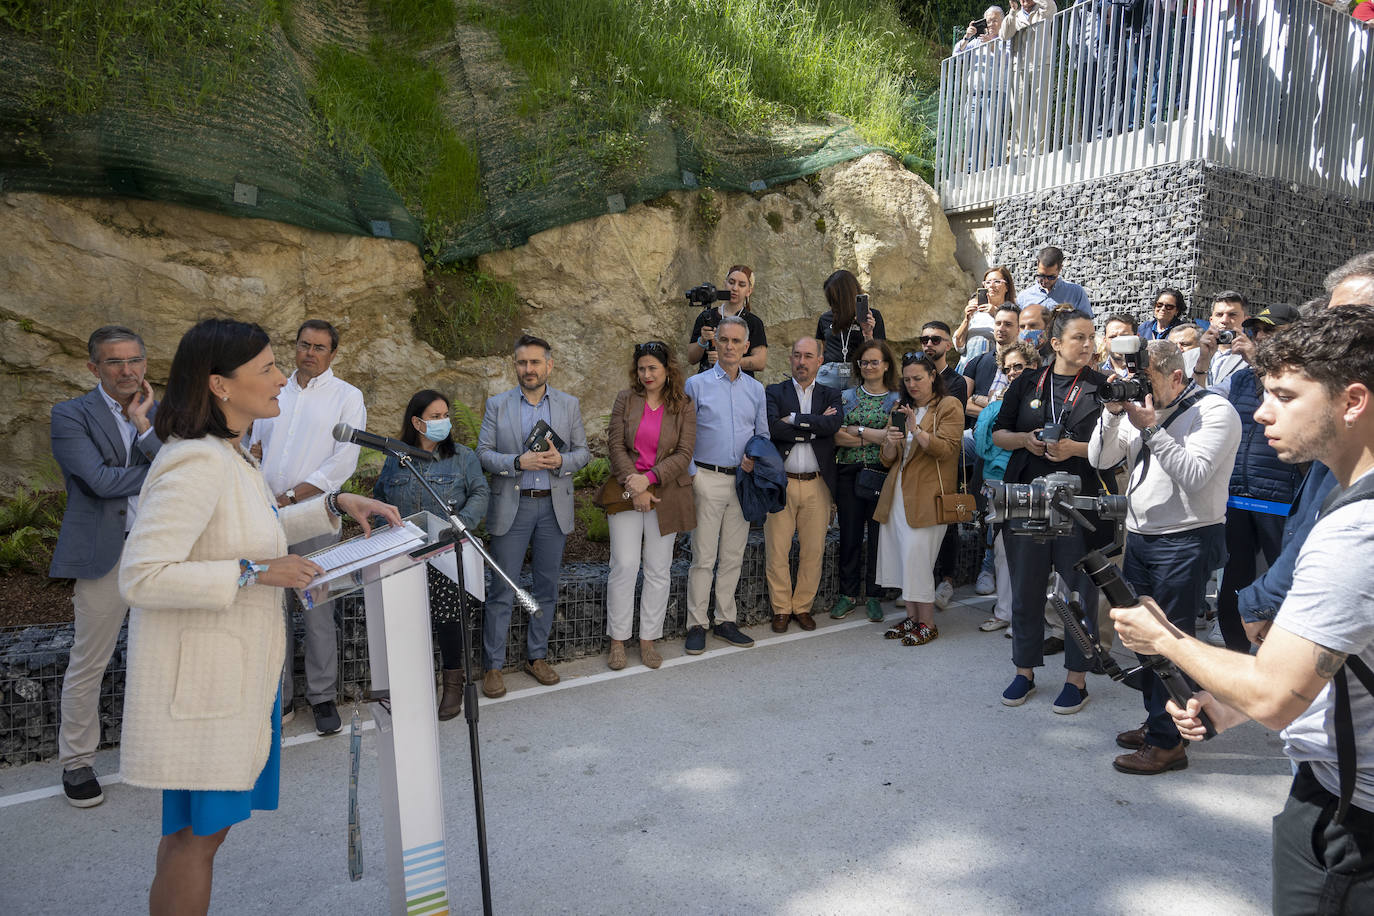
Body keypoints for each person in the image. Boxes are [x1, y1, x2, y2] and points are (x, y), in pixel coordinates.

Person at [117, 317, 399, 916]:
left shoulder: (229, 454)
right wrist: (256, 571)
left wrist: (334, 502)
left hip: (232, 682)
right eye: (268, 368)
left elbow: (253, 525)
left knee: (196, 837)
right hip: (207, 688)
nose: (281, 378)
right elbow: (141, 574)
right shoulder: (193, 461)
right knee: (198, 840)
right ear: (220, 385)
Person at [1113, 306, 1374, 915]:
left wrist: (1167, 639)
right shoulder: (1347, 503)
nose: (1263, 412)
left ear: (1353, 400)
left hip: (1349, 820)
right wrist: (1230, 705)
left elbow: (1276, 695)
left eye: (1284, 396)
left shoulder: (1355, 530)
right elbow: (1332, 661)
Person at [1089, 340, 1240, 774]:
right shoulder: (1141, 405)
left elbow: (1194, 476)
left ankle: (1167, 744)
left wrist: (1153, 428)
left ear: (1177, 376)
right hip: (1141, 536)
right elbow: (1101, 458)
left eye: (1146, 379)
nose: (1138, 387)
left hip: (1186, 539)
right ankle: (1162, 721)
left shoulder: (1215, 411)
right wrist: (1114, 411)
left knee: (1171, 645)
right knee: (1142, 639)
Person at [50, 326, 161, 808]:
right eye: (114, 362)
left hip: (159, 552)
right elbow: (96, 481)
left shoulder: (159, 411)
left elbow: (186, 467)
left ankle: (159, 754)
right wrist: (159, 468)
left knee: (162, 655)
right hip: (103, 553)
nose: (127, 371)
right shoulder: (69, 414)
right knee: (89, 662)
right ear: (93, 367)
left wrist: (144, 428)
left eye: (134, 360)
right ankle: (77, 762)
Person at [993, 309, 1113, 713]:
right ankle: (1023, 671)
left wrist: (1075, 449)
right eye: (1079, 337)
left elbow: (1115, 450)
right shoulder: (1028, 380)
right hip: (1027, 498)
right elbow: (999, 434)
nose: (1088, 344)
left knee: (1079, 592)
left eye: (1092, 337)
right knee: (1026, 588)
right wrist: (1026, 440)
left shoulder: (1102, 388)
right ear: (1056, 344)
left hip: (1079, 503)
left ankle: (1076, 679)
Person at [249, 319, 365, 736]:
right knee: (270, 612)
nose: (310, 353)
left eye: (319, 347)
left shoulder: (347, 397)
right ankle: (278, 698)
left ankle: (321, 697)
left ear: (333, 354)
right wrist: (255, 465)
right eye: (304, 345)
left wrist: (293, 496)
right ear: (294, 347)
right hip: (266, 517)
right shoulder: (276, 389)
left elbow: (342, 462)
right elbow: (253, 446)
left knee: (317, 609)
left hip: (315, 515)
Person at [476, 335, 589, 696]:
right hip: (514, 504)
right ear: (516, 366)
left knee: (546, 587)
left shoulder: (569, 405)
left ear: (548, 366)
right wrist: (515, 462)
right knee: (502, 588)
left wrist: (562, 461)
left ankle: (536, 656)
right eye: (522, 363)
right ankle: (493, 666)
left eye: (535, 363)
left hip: (553, 506)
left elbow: (583, 452)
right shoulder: (498, 405)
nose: (529, 369)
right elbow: (482, 454)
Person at [372, 389, 489, 720]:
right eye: (435, 417)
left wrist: (460, 525)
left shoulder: (462, 457)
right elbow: (381, 496)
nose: (443, 422)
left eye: (445, 415)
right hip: (406, 553)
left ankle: (453, 683)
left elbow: (480, 492)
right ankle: (413, 686)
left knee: (449, 619)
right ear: (417, 422)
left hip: (446, 552)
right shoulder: (396, 457)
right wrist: (391, 530)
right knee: (408, 622)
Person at [1213, 307, 1303, 653]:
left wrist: (1260, 365)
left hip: (1281, 499)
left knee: (1285, 583)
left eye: (1270, 330)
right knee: (1233, 581)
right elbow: (1200, 403)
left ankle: (1284, 657)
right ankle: (1236, 656)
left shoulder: (1302, 377)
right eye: (1255, 331)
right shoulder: (1237, 379)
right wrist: (1205, 358)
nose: (1260, 337)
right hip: (1236, 495)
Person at [604, 341, 697, 670]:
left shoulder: (684, 405)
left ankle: (647, 639)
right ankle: (617, 640)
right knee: (624, 565)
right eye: (641, 368)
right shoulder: (625, 400)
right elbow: (615, 445)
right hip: (628, 492)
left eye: (652, 368)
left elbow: (684, 455)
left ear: (667, 369)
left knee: (659, 570)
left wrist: (651, 478)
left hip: (666, 494)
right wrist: (636, 483)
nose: (646, 374)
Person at [682, 315, 769, 653]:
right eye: (724, 340)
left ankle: (725, 620)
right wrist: (692, 475)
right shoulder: (697, 385)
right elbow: (685, 435)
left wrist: (754, 457)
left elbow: (762, 435)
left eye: (737, 341)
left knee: (733, 555)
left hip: (742, 482)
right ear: (714, 343)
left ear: (746, 347)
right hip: (706, 479)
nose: (730, 346)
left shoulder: (755, 389)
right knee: (703, 557)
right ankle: (696, 624)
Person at [874, 354, 963, 646]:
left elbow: (946, 450)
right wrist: (889, 441)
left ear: (932, 377)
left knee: (918, 558)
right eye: (907, 379)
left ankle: (928, 623)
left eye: (918, 378)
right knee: (902, 558)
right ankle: (912, 618)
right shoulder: (902, 409)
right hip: (897, 493)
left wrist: (916, 430)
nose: (912, 384)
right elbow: (888, 460)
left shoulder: (949, 406)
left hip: (928, 497)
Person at [765, 338, 842, 633]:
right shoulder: (774, 392)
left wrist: (795, 420)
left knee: (813, 550)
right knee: (777, 550)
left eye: (808, 356)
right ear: (790, 358)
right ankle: (782, 609)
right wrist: (813, 427)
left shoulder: (830, 394)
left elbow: (833, 426)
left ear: (819, 361)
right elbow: (773, 428)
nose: (801, 361)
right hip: (782, 482)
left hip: (817, 484)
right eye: (797, 355)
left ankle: (803, 607)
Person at [830, 340, 902, 623]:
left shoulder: (896, 399)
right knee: (848, 535)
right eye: (864, 362)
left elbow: (893, 435)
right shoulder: (845, 397)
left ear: (886, 365)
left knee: (877, 537)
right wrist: (873, 433)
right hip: (847, 471)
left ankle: (874, 595)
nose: (869, 366)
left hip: (880, 472)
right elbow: (836, 436)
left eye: (874, 361)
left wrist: (856, 430)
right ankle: (847, 595)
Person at [973, 341, 1040, 631]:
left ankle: (1024, 617)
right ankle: (1004, 612)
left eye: (1019, 366)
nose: (1012, 372)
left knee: (1030, 552)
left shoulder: (1043, 401)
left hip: (1030, 481)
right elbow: (981, 444)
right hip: (997, 483)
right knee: (1001, 548)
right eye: (1008, 368)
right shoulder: (998, 404)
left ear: (1034, 367)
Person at [918, 321, 969, 610]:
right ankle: (919, 582)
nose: (929, 344)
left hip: (946, 460)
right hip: (916, 459)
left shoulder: (957, 381)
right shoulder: (913, 375)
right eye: (924, 339)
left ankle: (947, 580)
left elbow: (948, 420)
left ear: (948, 345)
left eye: (936, 339)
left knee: (948, 520)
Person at [686, 264, 768, 377]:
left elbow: (760, 362)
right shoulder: (706, 316)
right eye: (731, 282)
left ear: (749, 291)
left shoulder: (753, 322)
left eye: (742, 284)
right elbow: (691, 358)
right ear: (725, 283)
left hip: (740, 385)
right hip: (708, 384)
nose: (735, 288)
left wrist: (727, 361)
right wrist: (703, 340)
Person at [954, 6, 1009, 170]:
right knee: (971, 132)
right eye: (988, 20)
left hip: (995, 94)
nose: (991, 24)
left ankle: (995, 168)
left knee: (991, 131)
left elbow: (1006, 59)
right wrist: (967, 36)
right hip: (973, 95)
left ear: (1002, 22)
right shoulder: (976, 42)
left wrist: (992, 46)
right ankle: (972, 169)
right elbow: (957, 55)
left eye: (995, 20)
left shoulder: (1005, 38)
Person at [815, 269, 885, 390]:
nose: (832, 304)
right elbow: (824, 350)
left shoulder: (871, 316)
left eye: (834, 298)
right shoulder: (825, 318)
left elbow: (878, 355)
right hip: (829, 373)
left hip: (858, 372)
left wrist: (868, 333)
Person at [963, 302, 1022, 421]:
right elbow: (962, 403)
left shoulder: (1028, 363)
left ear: (1018, 329)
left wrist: (977, 400)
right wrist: (995, 415)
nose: (1001, 328)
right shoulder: (977, 361)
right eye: (998, 323)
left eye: (1008, 324)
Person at [955, 266, 1018, 367]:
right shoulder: (976, 311)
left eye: (997, 281)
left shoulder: (1012, 313)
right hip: (967, 367)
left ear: (1007, 287)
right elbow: (959, 345)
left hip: (993, 367)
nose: (991, 286)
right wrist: (967, 319)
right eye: (987, 282)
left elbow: (1014, 341)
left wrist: (996, 314)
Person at [1189, 290, 1250, 387]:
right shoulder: (1189, 357)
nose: (1224, 320)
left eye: (1232, 315)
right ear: (1211, 320)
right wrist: (1202, 360)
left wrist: (1254, 360)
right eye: (1219, 315)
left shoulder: (1254, 359)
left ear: (1245, 321)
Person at [1015, 247, 1094, 316]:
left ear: (1060, 269)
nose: (1045, 281)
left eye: (1051, 277)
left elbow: (1086, 324)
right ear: (1037, 266)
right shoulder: (1024, 297)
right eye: (1041, 275)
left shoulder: (1075, 292)